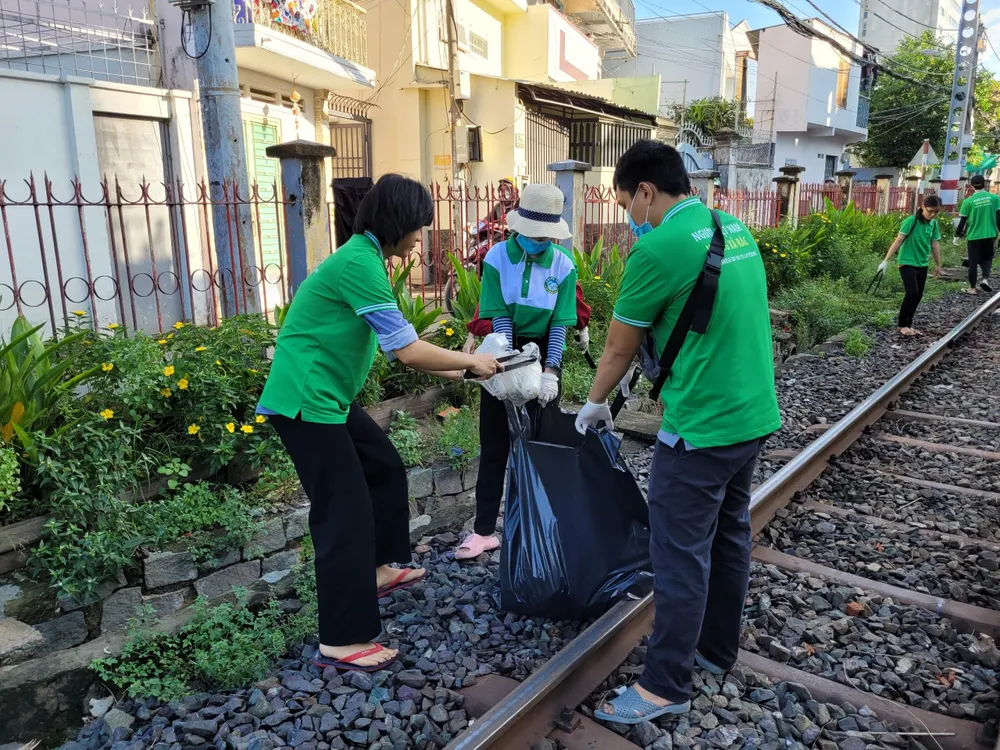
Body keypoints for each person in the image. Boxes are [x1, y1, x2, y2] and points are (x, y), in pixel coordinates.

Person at [257, 174, 501, 672]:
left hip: (329, 396)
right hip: (306, 401)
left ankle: (377, 569)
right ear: (395, 221)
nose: (420, 237)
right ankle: (343, 639)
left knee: (384, 467)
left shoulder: (366, 258)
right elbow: (407, 350)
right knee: (342, 514)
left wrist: (459, 367)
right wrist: (470, 363)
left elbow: (397, 343)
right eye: (417, 227)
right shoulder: (359, 264)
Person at [575, 140, 781, 724]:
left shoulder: (657, 248)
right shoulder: (733, 228)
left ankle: (666, 684)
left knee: (677, 553)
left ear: (645, 191)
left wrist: (593, 405)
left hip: (702, 426)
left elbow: (619, 346)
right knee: (729, 535)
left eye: (624, 204)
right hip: (753, 415)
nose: (627, 219)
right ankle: (715, 653)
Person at [453, 183, 579, 561]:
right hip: (501, 350)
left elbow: (558, 324)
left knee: (539, 446)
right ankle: (483, 531)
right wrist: (507, 366)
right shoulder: (495, 259)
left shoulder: (563, 265)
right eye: (534, 235)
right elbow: (498, 315)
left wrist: (550, 372)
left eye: (546, 236)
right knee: (494, 445)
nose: (539, 242)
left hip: (543, 351)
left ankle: (539, 528)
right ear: (519, 227)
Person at [878, 194, 943, 336]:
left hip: (922, 262)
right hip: (907, 261)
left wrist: (938, 265)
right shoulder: (911, 221)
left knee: (918, 294)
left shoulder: (933, 224)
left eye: (936, 212)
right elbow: (898, 241)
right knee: (912, 292)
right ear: (923, 207)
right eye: (930, 211)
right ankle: (902, 325)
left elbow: (935, 244)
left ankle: (909, 324)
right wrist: (885, 261)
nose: (932, 215)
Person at [956, 174, 999, 293]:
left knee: (973, 262)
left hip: (974, 236)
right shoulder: (994, 198)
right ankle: (985, 279)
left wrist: (957, 235)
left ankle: (972, 288)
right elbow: (998, 218)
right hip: (990, 234)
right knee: (987, 259)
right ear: (984, 184)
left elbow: (962, 221)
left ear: (971, 185)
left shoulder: (968, 201)